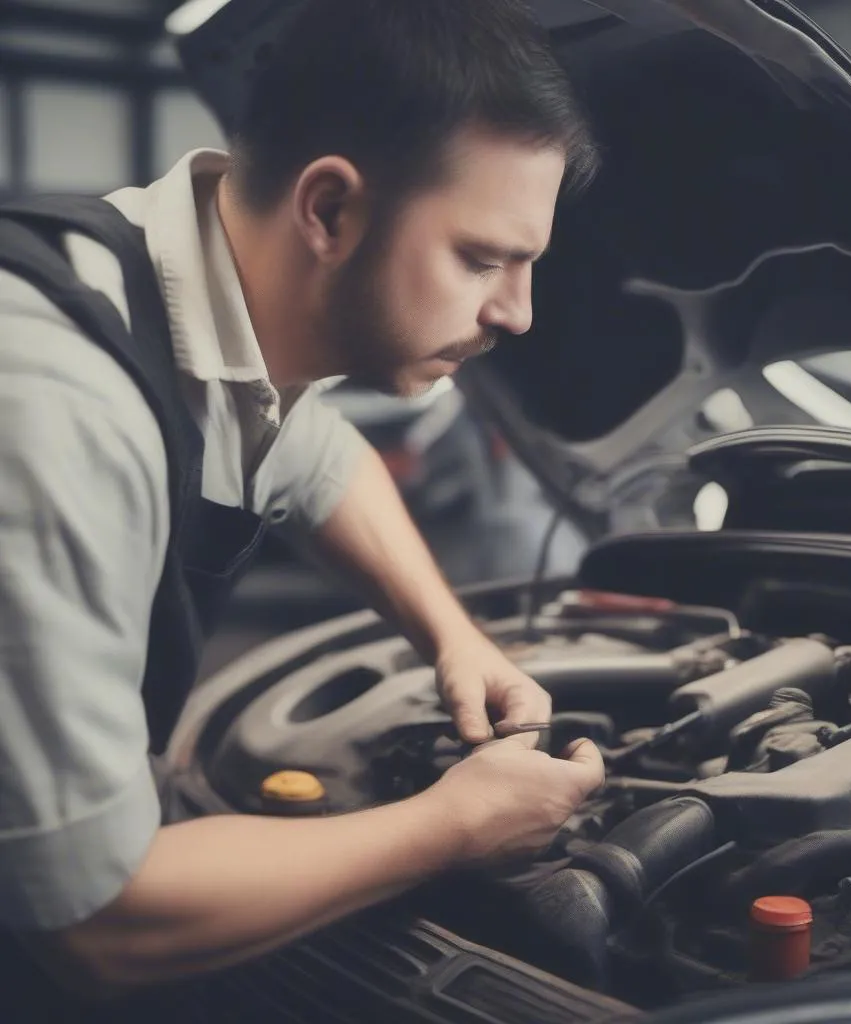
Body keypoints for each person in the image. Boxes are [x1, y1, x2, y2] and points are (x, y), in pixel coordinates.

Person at [0, 0, 605, 1014]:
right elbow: (95, 924)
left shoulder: (200, 298)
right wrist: (449, 826)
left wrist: (454, 639)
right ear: (327, 210)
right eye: (481, 257)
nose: (517, 312)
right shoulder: (58, 411)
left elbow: (322, 460)